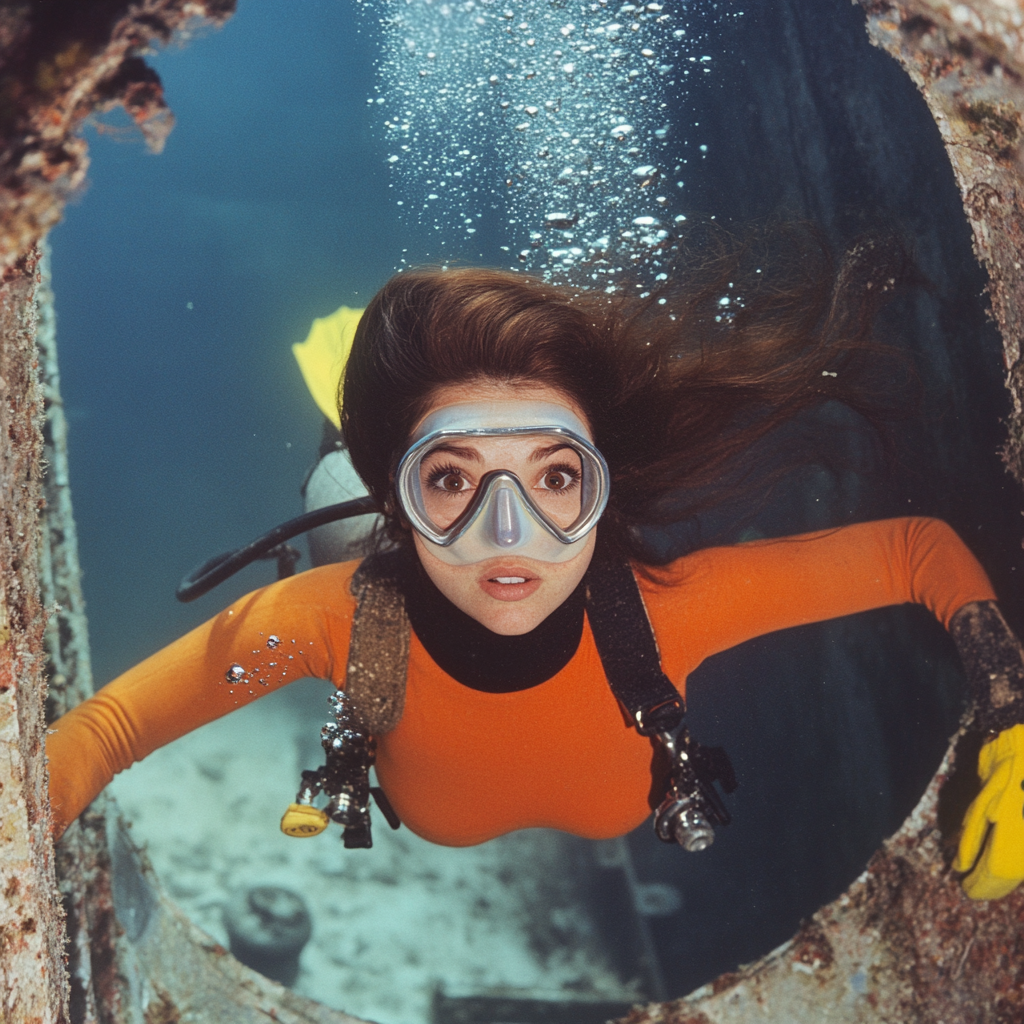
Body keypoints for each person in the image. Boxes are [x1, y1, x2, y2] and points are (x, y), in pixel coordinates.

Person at [46, 239, 1024, 901]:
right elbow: (110, 727)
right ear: (405, 494)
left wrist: (1011, 713)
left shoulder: (673, 609)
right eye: (452, 478)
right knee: (335, 509)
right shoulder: (329, 616)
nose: (504, 533)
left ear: (601, 483)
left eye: (554, 475)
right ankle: (352, 433)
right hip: (372, 553)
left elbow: (918, 551)